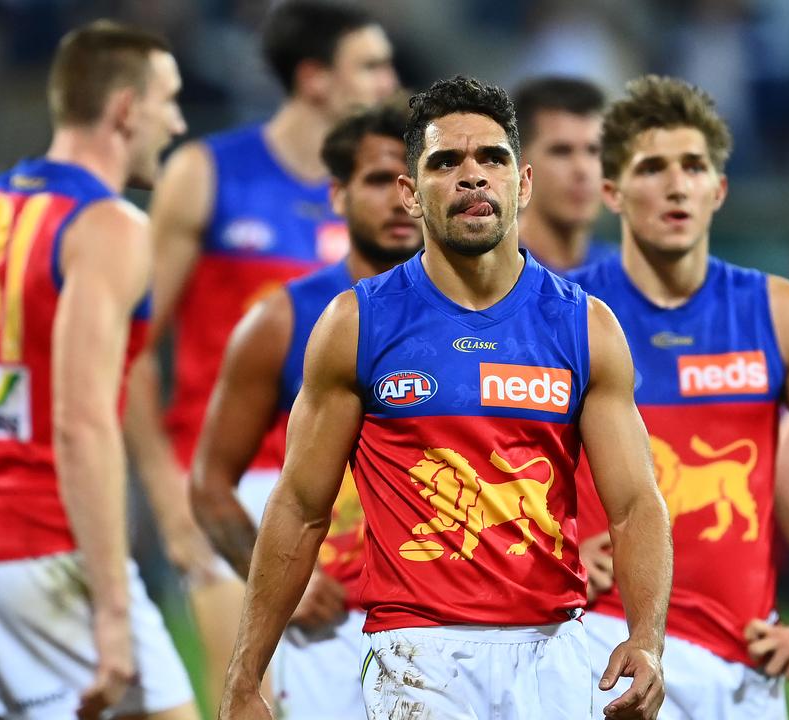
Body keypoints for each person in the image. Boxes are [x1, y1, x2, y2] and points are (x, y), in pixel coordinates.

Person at [218, 76, 672, 720]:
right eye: (445, 161)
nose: (472, 176)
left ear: (524, 182)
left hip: (554, 649)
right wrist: (245, 678)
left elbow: (633, 505)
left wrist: (647, 639)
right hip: (416, 655)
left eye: (492, 158)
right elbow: (299, 507)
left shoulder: (585, 326)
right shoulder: (357, 324)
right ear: (410, 192)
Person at [0, 21, 195, 720]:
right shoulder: (110, 227)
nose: (178, 121)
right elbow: (81, 420)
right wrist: (114, 611)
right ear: (125, 109)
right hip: (47, 552)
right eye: (168, 100)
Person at [570, 75, 789, 720]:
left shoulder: (782, 313)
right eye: (652, 167)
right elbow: (501, 465)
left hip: (742, 661)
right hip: (599, 648)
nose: (676, 184)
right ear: (612, 192)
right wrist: (559, 546)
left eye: (694, 166)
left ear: (719, 189)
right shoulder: (563, 313)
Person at [122, 1, 399, 708]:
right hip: (234, 484)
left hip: (353, 488)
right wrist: (170, 498)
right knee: (249, 700)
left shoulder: (394, 197)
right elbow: (131, 352)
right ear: (314, 78)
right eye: (370, 64)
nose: (390, 79)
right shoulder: (210, 175)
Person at [190, 103, 420, 719]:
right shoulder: (284, 320)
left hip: (458, 618)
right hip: (335, 628)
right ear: (337, 195)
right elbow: (210, 486)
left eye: (413, 178)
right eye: (378, 180)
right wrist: (282, 587)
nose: (400, 199)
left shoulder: (489, 317)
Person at [512, 76, 615, 272]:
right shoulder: (486, 277)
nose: (582, 169)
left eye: (593, 150)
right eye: (561, 151)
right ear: (518, 163)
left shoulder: (627, 275)